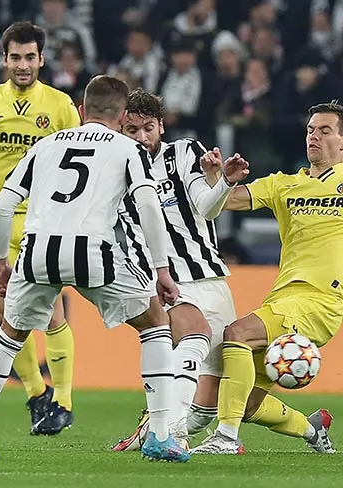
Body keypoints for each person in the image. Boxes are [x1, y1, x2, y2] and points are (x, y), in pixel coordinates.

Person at [0, 75, 190, 463]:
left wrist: (1, 260)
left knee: (10, 334)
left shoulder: (45, 146)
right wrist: (161, 268)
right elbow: (149, 207)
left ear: (82, 111)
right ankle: (161, 434)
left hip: (36, 252)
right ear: (121, 116)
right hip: (91, 251)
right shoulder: (127, 149)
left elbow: (2, 206)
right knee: (154, 323)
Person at [191, 101, 343, 455]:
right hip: (281, 300)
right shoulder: (284, 184)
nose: (314, 136)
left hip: (321, 302)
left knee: (237, 333)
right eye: (311, 130)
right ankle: (312, 430)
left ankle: (225, 439)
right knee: (246, 403)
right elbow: (220, 204)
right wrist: (218, 178)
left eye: (325, 131)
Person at [0, 21, 81, 435]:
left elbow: (81, 163)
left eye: (29, 57)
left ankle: (63, 401)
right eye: (15, 57)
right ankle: (37, 393)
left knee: (52, 310)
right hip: (1, 220)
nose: (22, 65)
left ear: (41, 59)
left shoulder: (60, 106)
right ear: (4, 59)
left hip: (44, 219)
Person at [110, 88, 247, 451]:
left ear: (161, 126)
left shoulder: (184, 153)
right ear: (121, 128)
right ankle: (169, 436)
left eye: (148, 129)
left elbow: (207, 207)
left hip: (209, 274)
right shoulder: (113, 170)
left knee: (209, 395)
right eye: (133, 130)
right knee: (194, 332)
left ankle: (156, 428)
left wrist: (225, 183)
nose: (141, 138)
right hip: (163, 279)